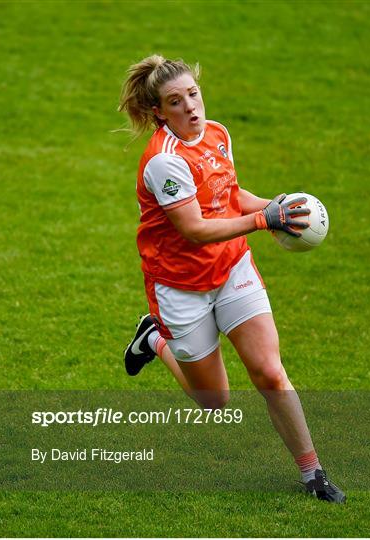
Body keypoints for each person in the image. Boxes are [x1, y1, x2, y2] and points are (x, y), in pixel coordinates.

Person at [118, 54, 345, 503]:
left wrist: (273, 206)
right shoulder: (163, 162)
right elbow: (195, 229)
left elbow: (228, 194)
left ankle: (313, 473)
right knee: (214, 401)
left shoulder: (218, 133)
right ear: (159, 112)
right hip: (180, 286)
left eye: (193, 94)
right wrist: (265, 221)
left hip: (232, 268)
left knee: (270, 373)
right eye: (176, 102)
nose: (191, 107)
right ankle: (154, 338)